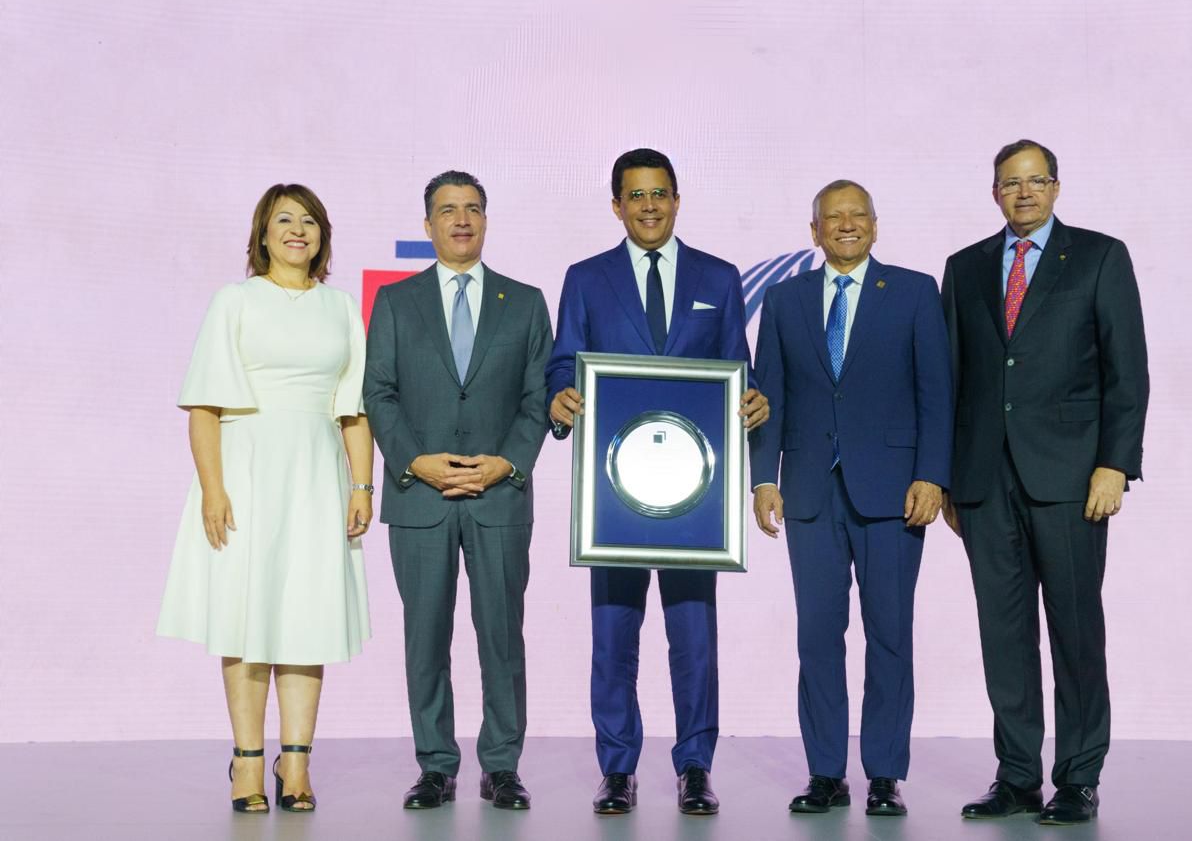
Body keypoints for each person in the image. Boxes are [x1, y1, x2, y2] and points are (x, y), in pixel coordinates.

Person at [546, 148, 769, 816]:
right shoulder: (585, 278)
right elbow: (563, 362)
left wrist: (751, 400)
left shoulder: (718, 277)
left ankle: (695, 766)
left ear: (677, 199)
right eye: (636, 195)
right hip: (613, 493)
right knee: (613, 637)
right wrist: (559, 397)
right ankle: (617, 769)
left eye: (660, 193)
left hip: (695, 498)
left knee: (694, 637)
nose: (649, 206)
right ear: (616, 205)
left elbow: (736, 368)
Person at [940, 140, 1149, 825]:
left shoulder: (1099, 257)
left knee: (1076, 630)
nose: (1023, 192)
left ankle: (1080, 776)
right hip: (983, 480)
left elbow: (1127, 371)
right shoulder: (964, 267)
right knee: (1003, 634)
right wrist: (948, 479)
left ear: (1056, 187)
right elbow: (951, 378)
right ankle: (1017, 776)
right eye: (1011, 183)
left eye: (1036, 181)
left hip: (1071, 477)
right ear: (994, 192)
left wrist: (1114, 463)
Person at [158, 183, 373, 814]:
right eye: (284, 219)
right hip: (246, 471)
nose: (297, 230)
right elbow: (204, 406)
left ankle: (296, 762)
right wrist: (213, 489)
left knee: (308, 616)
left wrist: (361, 486)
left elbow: (354, 410)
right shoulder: (235, 300)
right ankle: (248, 761)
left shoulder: (340, 307)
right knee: (245, 617)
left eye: (309, 220)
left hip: (316, 475)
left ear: (322, 235)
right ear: (262, 233)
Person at [749, 180, 952, 818]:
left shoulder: (915, 292)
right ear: (813, 231)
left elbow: (937, 391)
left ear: (875, 224)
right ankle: (826, 772)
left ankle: (885, 774)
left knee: (890, 634)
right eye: (832, 217)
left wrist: (932, 475)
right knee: (817, 636)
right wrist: (763, 478)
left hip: (894, 493)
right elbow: (767, 395)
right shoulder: (784, 300)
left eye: (857, 215)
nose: (845, 225)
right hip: (810, 491)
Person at [364, 170, 552, 812]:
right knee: (425, 639)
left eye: (472, 208)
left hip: (499, 497)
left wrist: (508, 463)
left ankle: (501, 766)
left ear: (486, 220)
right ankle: (436, 766)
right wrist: (415, 462)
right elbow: (378, 392)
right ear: (428, 225)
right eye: (448, 210)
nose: (461, 219)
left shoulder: (525, 302)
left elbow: (537, 399)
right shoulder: (396, 301)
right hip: (420, 498)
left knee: (502, 636)